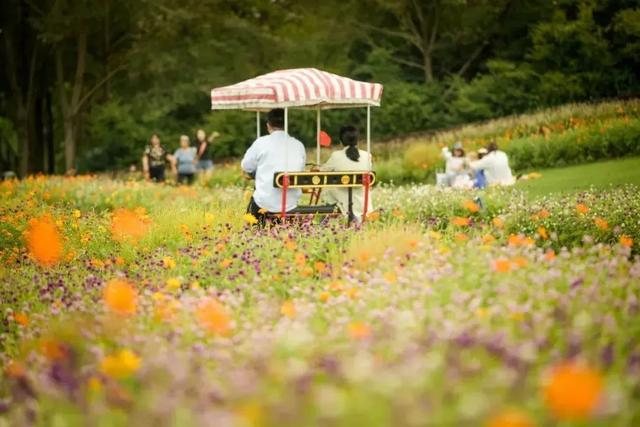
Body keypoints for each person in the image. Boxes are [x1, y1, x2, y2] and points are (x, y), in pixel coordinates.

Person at [240, 109, 306, 223]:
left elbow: (246, 166)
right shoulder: (298, 145)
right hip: (290, 203)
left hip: (264, 203)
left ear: (268, 125)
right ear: (286, 124)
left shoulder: (261, 143)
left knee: (255, 201)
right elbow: (300, 169)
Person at [320, 126, 373, 221]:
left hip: (341, 198)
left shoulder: (336, 156)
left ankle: (324, 220)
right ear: (358, 140)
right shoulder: (367, 156)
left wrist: (318, 167)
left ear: (341, 141)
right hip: (361, 200)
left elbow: (323, 170)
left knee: (328, 188)